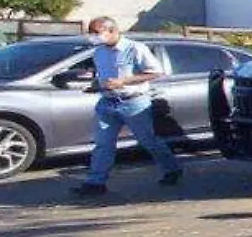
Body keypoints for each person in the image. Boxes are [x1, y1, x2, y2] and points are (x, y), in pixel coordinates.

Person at [74, 17, 183, 197]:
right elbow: (101, 75)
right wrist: (96, 85)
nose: (93, 37)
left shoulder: (134, 48)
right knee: (103, 144)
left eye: (96, 33)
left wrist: (123, 81)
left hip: (133, 101)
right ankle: (95, 183)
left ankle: (171, 168)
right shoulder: (99, 52)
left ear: (111, 30)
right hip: (107, 102)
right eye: (91, 33)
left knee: (147, 140)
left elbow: (155, 72)